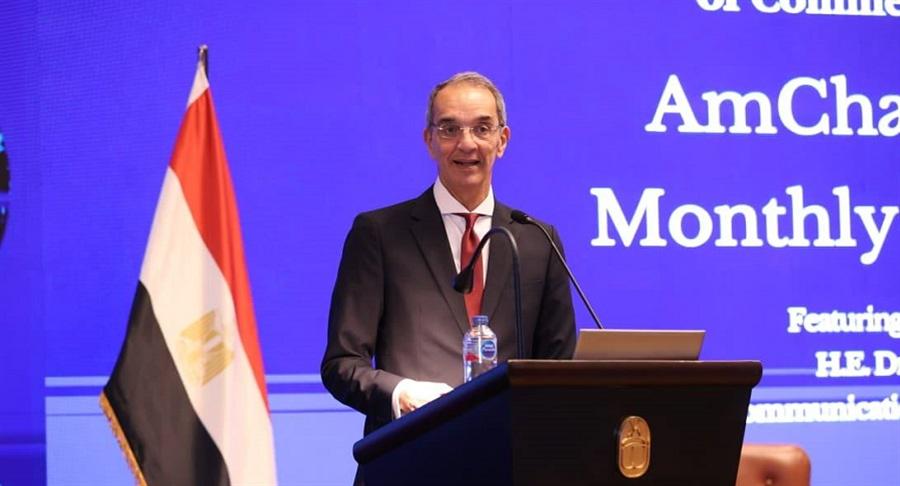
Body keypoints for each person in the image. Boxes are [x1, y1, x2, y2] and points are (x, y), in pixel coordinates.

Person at [321, 72, 576, 438]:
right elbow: (342, 364)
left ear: (502, 140)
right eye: (450, 129)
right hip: (412, 448)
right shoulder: (379, 233)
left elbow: (559, 369)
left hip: (509, 454)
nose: (466, 143)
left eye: (482, 129)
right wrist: (402, 394)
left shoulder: (537, 239)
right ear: (429, 140)